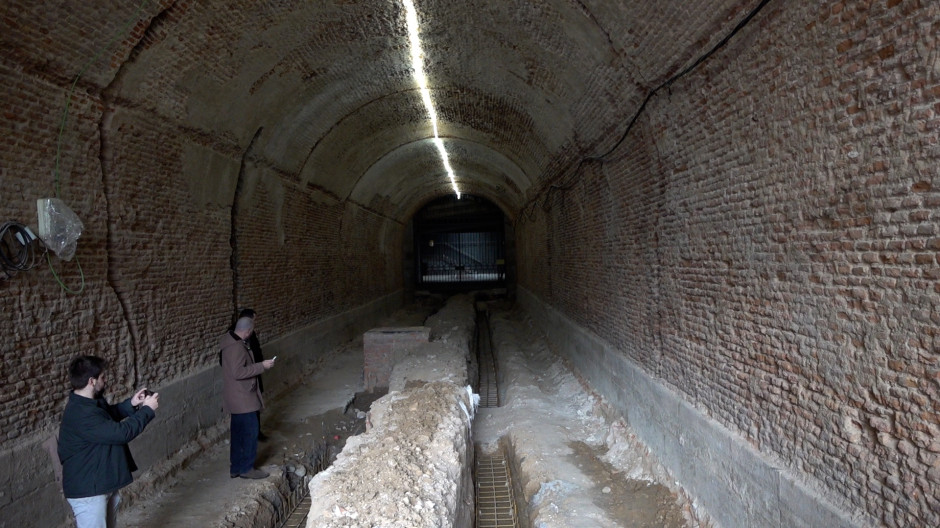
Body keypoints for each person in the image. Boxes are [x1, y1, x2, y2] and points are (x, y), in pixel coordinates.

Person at [57, 355, 159, 528]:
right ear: (92, 381)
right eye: (103, 378)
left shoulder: (88, 403)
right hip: (88, 491)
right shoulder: (82, 414)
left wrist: (132, 404)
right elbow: (121, 433)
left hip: (99, 482)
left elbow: (107, 417)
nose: (105, 381)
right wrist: (147, 410)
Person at [221, 316, 275, 479]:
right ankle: (246, 469)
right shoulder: (236, 347)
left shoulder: (228, 342)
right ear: (248, 331)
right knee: (251, 432)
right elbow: (238, 372)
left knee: (238, 434)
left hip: (235, 397)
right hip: (243, 397)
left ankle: (236, 467)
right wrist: (262, 366)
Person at [234, 308, 268, 440]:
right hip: (244, 379)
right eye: (253, 320)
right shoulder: (233, 337)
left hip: (254, 374)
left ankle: (256, 432)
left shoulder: (250, 333)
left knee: (255, 405)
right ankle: (249, 435)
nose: (255, 324)